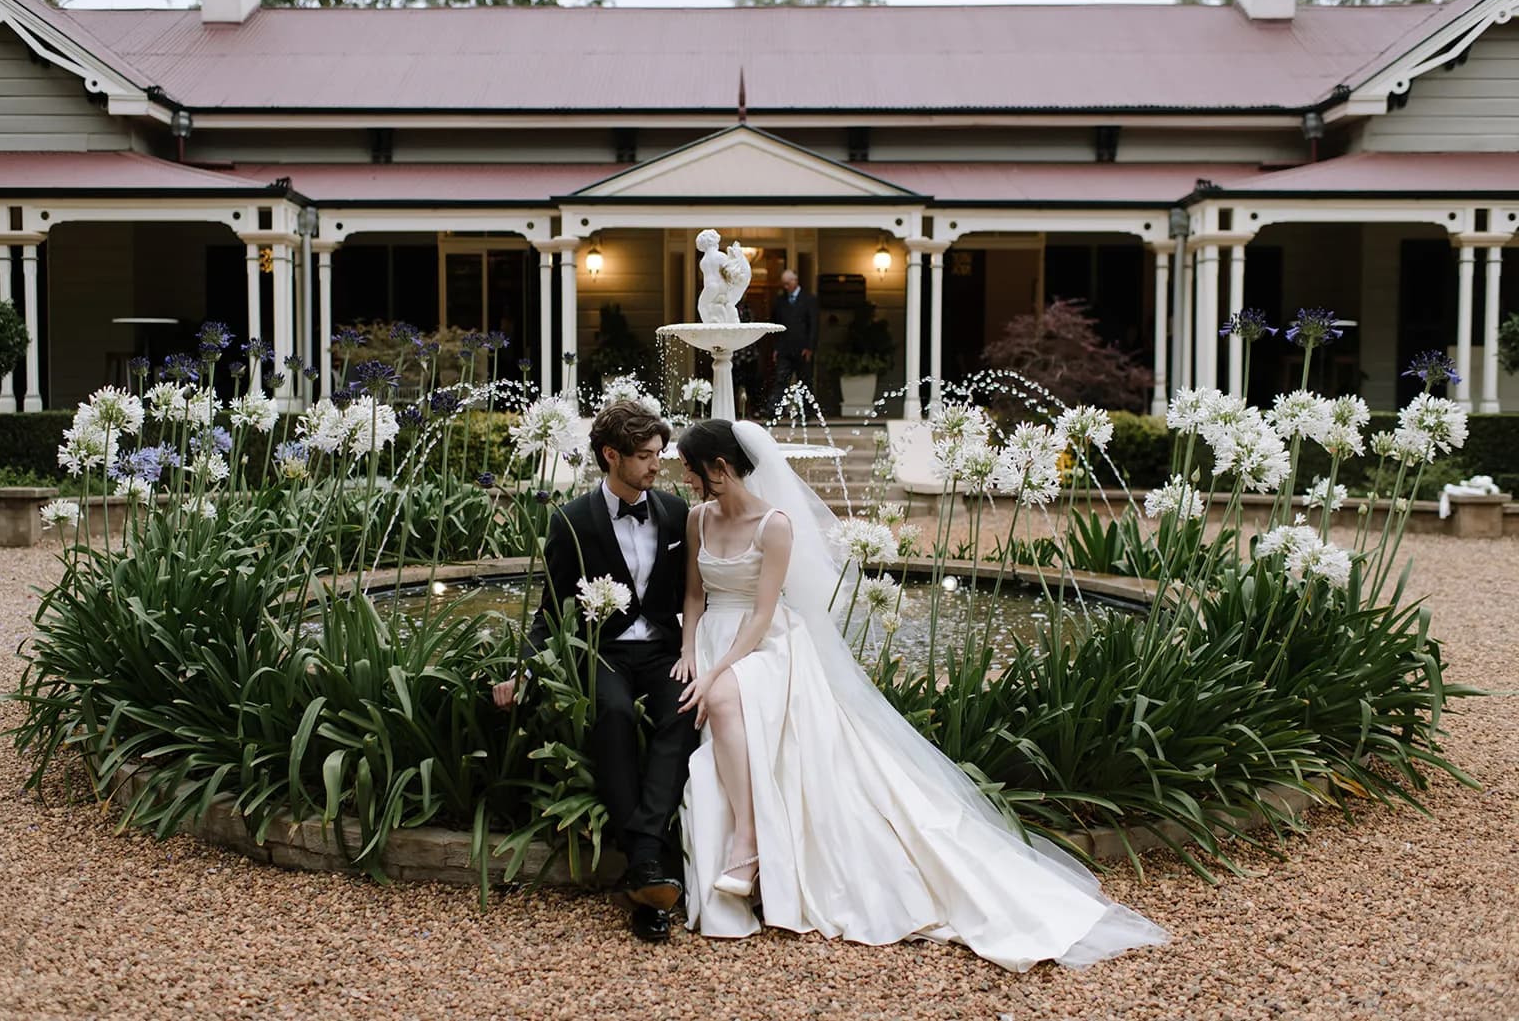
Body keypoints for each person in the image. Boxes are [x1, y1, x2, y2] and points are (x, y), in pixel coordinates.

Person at [670, 419, 1169, 970]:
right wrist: (691, 651)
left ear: (719, 467)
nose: (686, 480)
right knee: (712, 701)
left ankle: (748, 840)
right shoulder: (698, 519)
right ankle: (744, 835)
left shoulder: (775, 525)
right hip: (713, 637)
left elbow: (764, 615)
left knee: (720, 700)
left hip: (763, 647)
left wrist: (716, 675)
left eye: (692, 470)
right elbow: (695, 596)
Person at [493, 401, 698, 944]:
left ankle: (641, 859)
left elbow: (698, 594)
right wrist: (524, 671)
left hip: (663, 650)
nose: (658, 466)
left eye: (660, 454)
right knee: (608, 712)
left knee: (683, 708)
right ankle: (650, 862)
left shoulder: (677, 513)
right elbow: (550, 610)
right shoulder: (571, 520)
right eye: (645, 457)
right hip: (599, 649)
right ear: (611, 456)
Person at [765, 271, 819, 415]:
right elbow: (775, 324)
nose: (786, 286)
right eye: (784, 284)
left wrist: (810, 347)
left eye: (788, 283)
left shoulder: (809, 299)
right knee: (781, 379)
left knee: (805, 381)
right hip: (784, 349)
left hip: (803, 349)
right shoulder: (780, 301)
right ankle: (774, 411)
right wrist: (776, 348)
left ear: (795, 281)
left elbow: (814, 325)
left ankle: (806, 412)